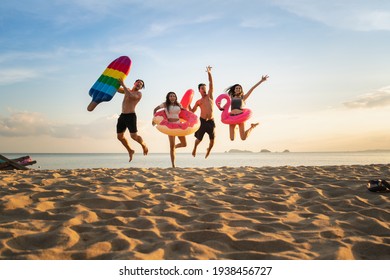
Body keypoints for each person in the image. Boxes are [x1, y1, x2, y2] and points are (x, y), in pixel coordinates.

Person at [225, 75, 269, 141]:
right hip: (232, 117)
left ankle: (252, 127)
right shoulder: (231, 98)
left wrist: (261, 81)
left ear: (241, 90)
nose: (238, 89)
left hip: (240, 117)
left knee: (243, 138)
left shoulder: (243, 97)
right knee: (232, 138)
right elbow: (226, 106)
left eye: (239, 88)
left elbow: (252, 88)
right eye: (236, 88)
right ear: (234, 90)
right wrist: (221, 107)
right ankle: (236, 127)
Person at [116, 78, 148, 162]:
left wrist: (123, 84)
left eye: (141, 84)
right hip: (122, 116)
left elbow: (130, 96)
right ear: (134, 83)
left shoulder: (139, 94)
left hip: (131, 116)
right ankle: (130, 150)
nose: (139, 84)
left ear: (141, 88)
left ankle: (143, 144)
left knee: (133, 136)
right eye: (138, 82)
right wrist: (114, 83)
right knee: (120, 137)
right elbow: (118, 90)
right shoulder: (127, 90)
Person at [153, 92, 187, 168]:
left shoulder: (178, 104)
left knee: (184, 144)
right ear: (168, 97)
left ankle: (175, 147)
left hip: (178, 125)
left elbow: (184, 111)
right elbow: (155, 109)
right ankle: (173, 165)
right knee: (171, 147)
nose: (172, 97)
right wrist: (154, 118)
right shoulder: (165, 104)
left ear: (175, 97)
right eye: (171, 96)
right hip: (170, 127)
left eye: (174, 96)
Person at [190, 66, 215, 158]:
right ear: (199, 90)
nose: (204, 90)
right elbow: (192, 111)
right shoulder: (198, 101)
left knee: (212, 140)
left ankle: (208, 150)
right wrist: (188, 105)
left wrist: (209, 73)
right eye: (202, 88)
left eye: (205, 88)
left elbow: (211, 83)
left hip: (211, 121)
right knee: (199, 139)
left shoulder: (210, 96)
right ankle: (195, 148)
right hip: (202, 121)